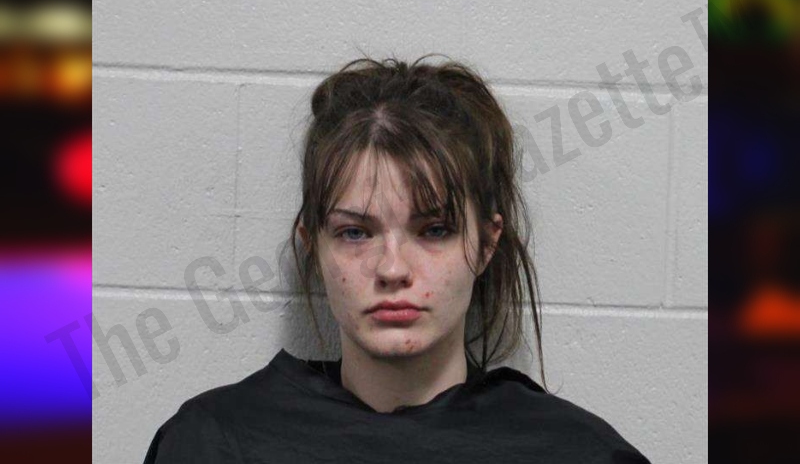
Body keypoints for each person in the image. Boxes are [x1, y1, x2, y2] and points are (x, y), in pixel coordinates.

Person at [143, 55, 651, 463]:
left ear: (486, 243)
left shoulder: (577, 452)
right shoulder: (213, 442)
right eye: (355, 233)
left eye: (434, 230)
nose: (392, 269)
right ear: (312, 246)